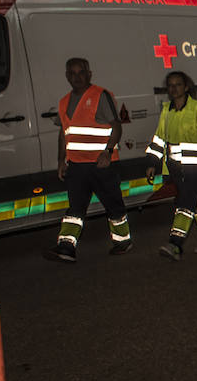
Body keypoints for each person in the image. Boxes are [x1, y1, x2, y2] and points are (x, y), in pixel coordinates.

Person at [43, 57, 132, 262]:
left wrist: (108, 152)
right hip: (76, 166)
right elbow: (63, 133)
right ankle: (66, 247)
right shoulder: (64, 101)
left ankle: (123, 241)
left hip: (102, 165)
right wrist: (60, 161)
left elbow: (116, 126)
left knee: (113, 205)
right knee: (75, 208)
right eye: (72, 73)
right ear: (67, 76)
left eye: (81, 72)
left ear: (89, 74)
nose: (77, 77)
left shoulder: (101, 95)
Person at [144, 71, 197, 260]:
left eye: (178, 84)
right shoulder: (167, 110)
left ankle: (175, 244)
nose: (174, 89)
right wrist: (152, 162)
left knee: (185, 204)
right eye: (171, 85)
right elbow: (159, 139)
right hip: (176, 168)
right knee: (196, 204)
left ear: (186, 87)